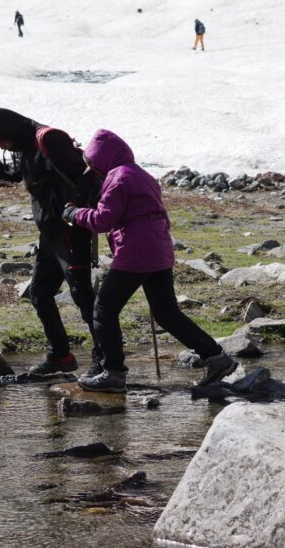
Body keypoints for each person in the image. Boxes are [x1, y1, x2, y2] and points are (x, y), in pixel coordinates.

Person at [62, 129, 238, 393]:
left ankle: (114, 374)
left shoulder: (118, 178)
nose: (92, 170)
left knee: (104, 310)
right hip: (159, 248)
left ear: (101, 159)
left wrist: (74, 213)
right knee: (166, 313)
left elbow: (102, 221)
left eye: (93, 164)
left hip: (135, 251)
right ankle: (216, 357)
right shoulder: (141, 174)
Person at [0, 108, 101, 375]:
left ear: (10, 132)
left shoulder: (48, 140)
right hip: (50, 233)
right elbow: (14, 173)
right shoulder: (24, 147)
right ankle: (60, 357)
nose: (0, 145)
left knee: (83, 296)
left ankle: (105, 360)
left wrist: (73, 209)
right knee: (39, 293)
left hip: (71, 230)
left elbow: (87, 175)